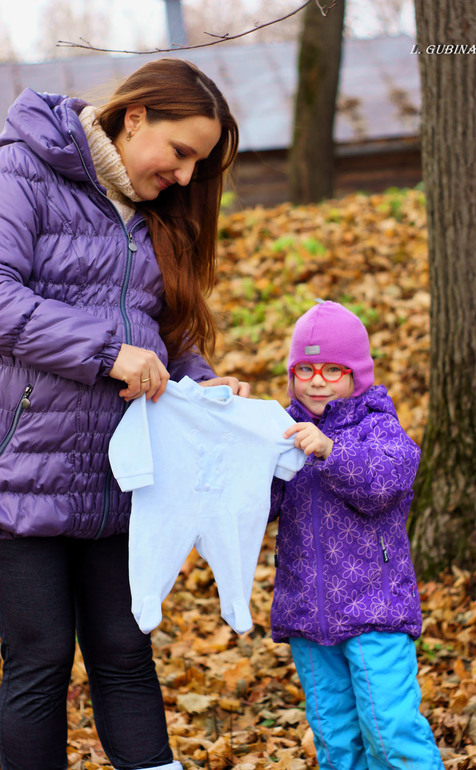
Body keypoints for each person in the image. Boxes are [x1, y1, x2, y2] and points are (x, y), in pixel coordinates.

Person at [0, 58, 249, 770]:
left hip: (120, 475)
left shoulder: (153, 214)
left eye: (196, 164)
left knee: (123, 650)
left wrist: (204, 384)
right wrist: (107, 352)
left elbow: (160, 332)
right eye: (180, 152)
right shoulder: (23, 171)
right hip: (20, 469)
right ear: (134, 117)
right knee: (40, 659)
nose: (183, 175)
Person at [269, 300, 444, 770]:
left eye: (332, 368)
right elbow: (259, 510)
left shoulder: (378, 426)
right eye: (305, 369)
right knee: (335, 740)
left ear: (356, 376)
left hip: (375, 612)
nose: (317, 380)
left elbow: (384, 482)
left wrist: (330, 450)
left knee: (390, 733)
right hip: (309, 615)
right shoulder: (282, 431)